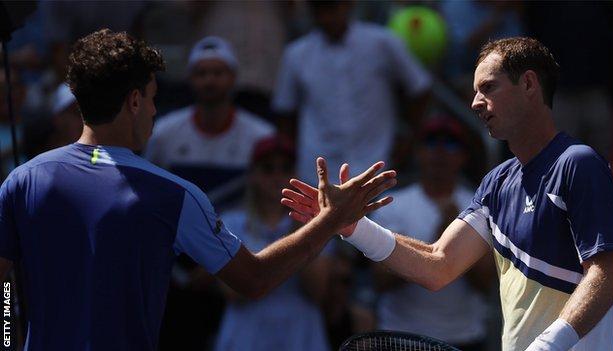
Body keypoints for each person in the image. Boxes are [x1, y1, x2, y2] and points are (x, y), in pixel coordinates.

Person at [0, 29, 397, 350]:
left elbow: (2, 289)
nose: (156, 111)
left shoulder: (22, 180)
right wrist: (331, 220)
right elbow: (254, 279)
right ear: (135, 101)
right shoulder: (173, 195)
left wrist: (6, 341)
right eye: (154, 99)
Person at [282, 37, 613, 351]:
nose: (475, 103)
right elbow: (437, 265)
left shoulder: (578, 164)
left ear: (529, 84)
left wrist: (546, 346)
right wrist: (353, 226)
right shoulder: (496, 182)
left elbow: (607, 277)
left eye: (488, 88)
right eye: (475, 91)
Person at [272, 0, 432, 184]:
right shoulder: (296, 54)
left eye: (331, 8)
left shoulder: (383, 43)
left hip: (376, 168)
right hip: (317, 175)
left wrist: (408, 140)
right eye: (318, 10)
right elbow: (285, 114)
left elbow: (420, 88)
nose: (325, 18)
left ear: (348, 4)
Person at [371, 116, 491, 350]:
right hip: (401, 339)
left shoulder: (479, 208)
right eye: (431, 142)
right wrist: (437, 247)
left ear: (463, 156)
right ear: (418, 152)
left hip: (464, 339)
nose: (439, 151)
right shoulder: (391, 205)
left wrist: (451, 250)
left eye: (450, 144)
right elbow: (380, 281)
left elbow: (484, 283)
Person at [214, 136, 331, 351]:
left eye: (285, 168)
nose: (277, 176)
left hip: (300, 338)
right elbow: (232, 292)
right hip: (245, 339)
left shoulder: (316, 223)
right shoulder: (229, 223)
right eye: (268, 168)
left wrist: (302, 229)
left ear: (295, 174)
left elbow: (317, 291)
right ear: (253, 175)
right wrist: (292, 250)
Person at [145, 36, 275, 203]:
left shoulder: (262, 137)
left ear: (233, 77)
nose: (209, 80)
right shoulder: (163, 133)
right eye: (202, 73)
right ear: (190, 78)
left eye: (218, 73)